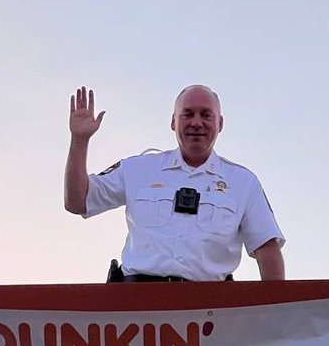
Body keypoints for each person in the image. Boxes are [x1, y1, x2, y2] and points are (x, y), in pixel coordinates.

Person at [64, 85, 286, 282]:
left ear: (220, 123)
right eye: (187, 114)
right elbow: (78, 202)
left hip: (210, 314)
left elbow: (268, 250)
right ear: (173, 121)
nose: (196, 122)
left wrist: (274, 317)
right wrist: (80, 141)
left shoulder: (243, 183)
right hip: (137, 309)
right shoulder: (138, 169)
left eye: (206, 115)